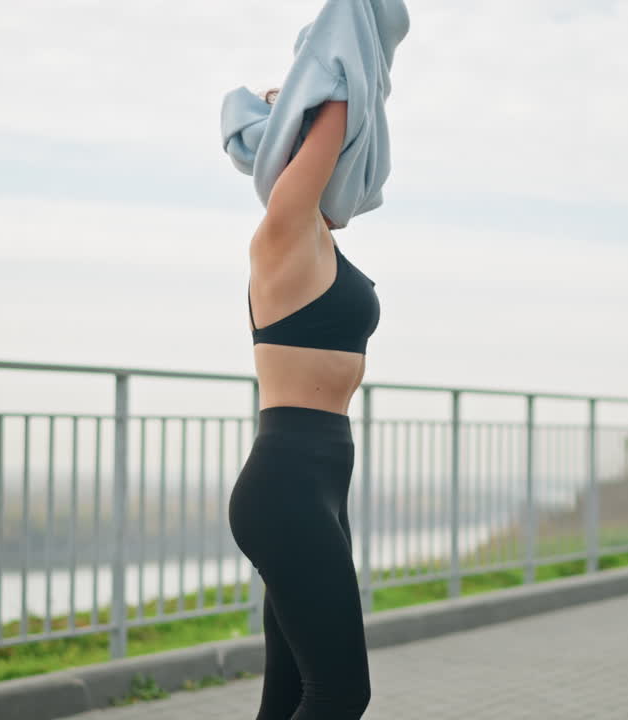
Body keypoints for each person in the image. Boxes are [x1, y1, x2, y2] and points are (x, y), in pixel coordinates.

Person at [226, 92, 380, 719]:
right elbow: (342, 102)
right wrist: (302, 95)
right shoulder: (281, 231)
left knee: (290, 696)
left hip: (316, 485)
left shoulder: (315, 235)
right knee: (341, 693)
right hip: (286, 486)